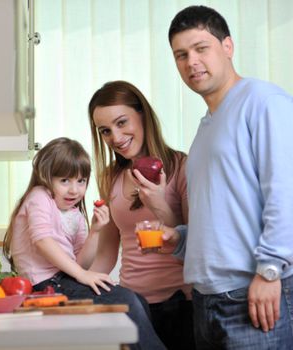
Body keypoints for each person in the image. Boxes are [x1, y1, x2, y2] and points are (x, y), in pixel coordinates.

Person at [165, 5, 293, 349]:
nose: (191, 62)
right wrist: (180, 239)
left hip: (252, 295)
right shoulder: (206, 127)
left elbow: (286, 192)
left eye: (202, 49)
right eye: (181, 55)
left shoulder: (264, 101)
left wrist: (269, 270)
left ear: (227, 46)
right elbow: (223, 212)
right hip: (207, 299)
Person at [3, 137, 166, 350]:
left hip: (64, 280)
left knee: (138, 301)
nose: (74, 190)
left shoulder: (75, 216)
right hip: (43, 285)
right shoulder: (39, 196)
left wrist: (95, 231)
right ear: (45, 178)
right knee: (127, 301)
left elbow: (81, 264)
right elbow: (43, 241)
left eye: (81, 181)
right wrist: (82, 276)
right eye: (65, 181)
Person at [88, 81, 195, 349]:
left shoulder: (181, 166)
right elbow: (106, 253)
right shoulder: (110, 176)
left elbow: (193, 240)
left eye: (122, 122)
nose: (116, 137)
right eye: (105, 131)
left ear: (142, 115)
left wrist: (158, 204)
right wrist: (77, 286)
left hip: (181, 302)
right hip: (133, 304)